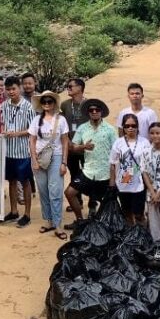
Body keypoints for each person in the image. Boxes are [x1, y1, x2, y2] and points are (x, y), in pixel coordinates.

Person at [64, 98, 116, 228]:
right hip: (88, 171)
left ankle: (102, 224)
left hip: (105, 172)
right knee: (69, 193)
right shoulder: (82, 128)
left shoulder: (110, 129)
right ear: (88, 113)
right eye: (91, 110)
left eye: (97, 110)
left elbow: (116, 151)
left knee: (108, 201)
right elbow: (73, 147)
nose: (94, 112)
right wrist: (83, 147)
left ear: (101, 112)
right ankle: (80, 220)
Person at [29, 91, 69, 240]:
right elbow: (32, 141)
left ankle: (58, 224)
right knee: (43, 190)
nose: (47, 104)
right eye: (44, 101)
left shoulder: (61, 120)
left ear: (54, 103)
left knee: (55, 190)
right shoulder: (35, 120)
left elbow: (65, 142)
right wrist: (34, 160)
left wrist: (64, 162)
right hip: (39, 157)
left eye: (49, 101)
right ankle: (49, 220)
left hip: (56, 156)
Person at [0, 76, 35, 226]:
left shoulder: (28, 107)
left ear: (19, 88)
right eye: (8, 89)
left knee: (25, 182)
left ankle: (27, 214)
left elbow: (33, 130)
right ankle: (14, 211)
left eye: (13, 89)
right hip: (8, 150)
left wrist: (16, 133)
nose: (11, 92)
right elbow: (2, 123)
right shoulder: (4, 106)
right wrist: (3, 131)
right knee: (11, 181)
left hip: (23, 151)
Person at [109, 114, 151, 226]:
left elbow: (148, 163)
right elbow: (113, 164)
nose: (130, 128)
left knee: (139, 213)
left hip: (139, 181)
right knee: (126, 212)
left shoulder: (145, 142)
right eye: (127, 126)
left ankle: (141, 235)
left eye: (133, 125)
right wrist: (112, 183)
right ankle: (130, 236)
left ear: (138, 127)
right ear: (123, 127)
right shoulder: (118, 142)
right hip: (123, 181)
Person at [61, 78, 90, 210]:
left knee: (89, 174)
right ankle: (77, 201)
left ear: (80, 88)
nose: (68, 88)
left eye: (71, 86)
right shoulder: (65, 105)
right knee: (74, 173)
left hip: (86, 148)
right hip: (71, 146)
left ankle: (92, 203)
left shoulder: (89, 105)